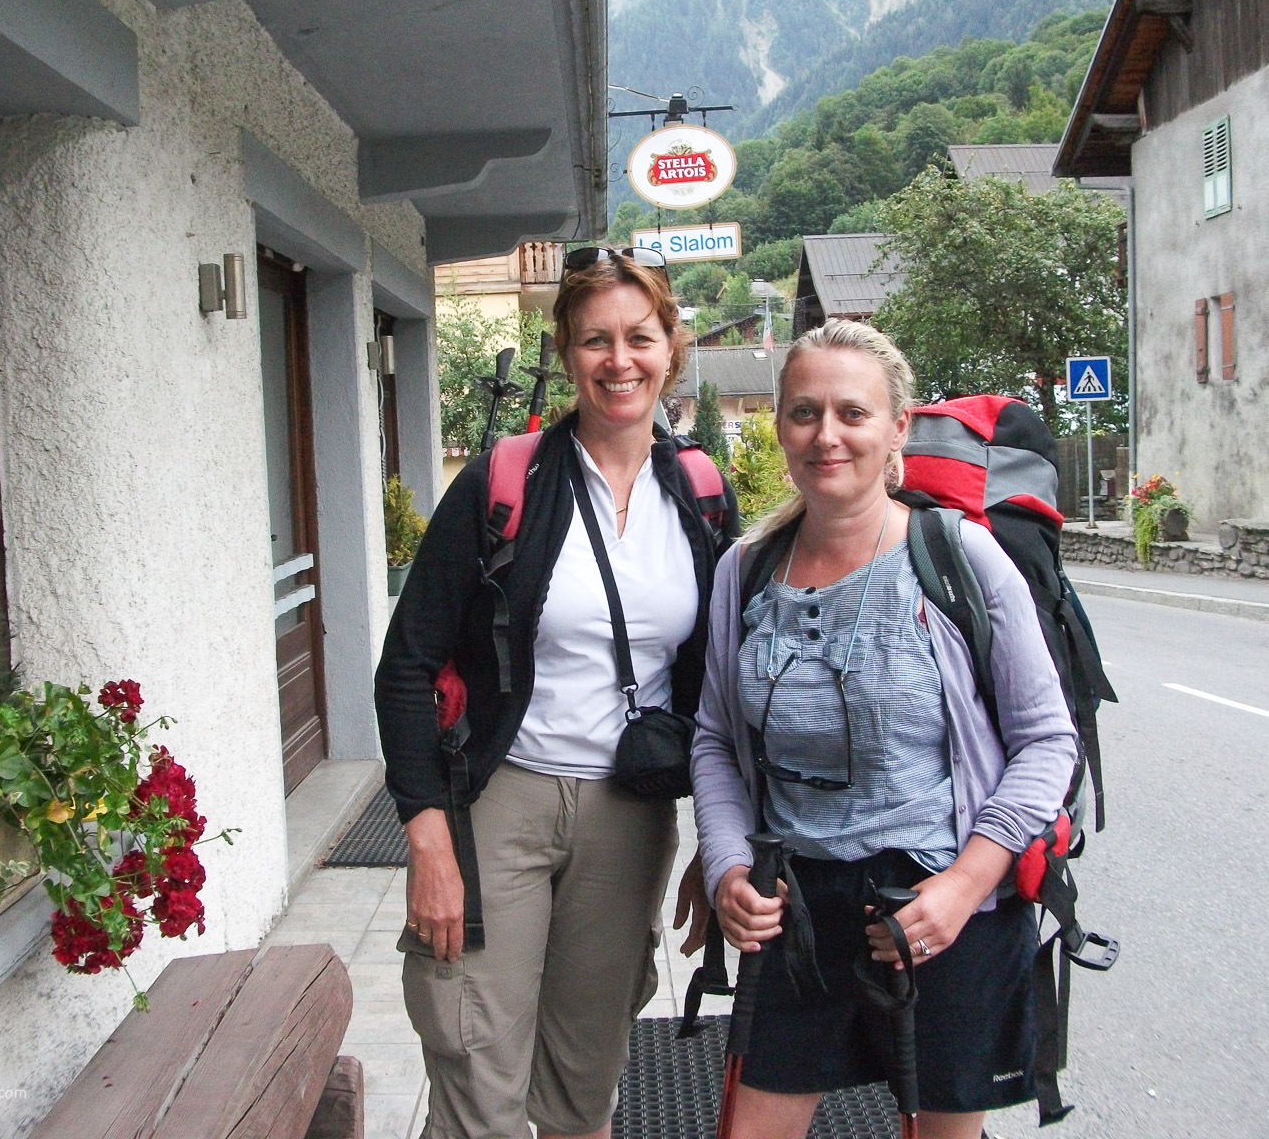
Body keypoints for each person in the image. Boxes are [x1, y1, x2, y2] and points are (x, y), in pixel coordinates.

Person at [375, 246, 738, 1139]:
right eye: (595, 340)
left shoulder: (698, 494)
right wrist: (427, 835)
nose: (620, 360)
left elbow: (724, 687)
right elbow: (406, 664)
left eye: (639, 338)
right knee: (475, 1067)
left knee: (587, 1081)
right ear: (566, 352)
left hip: (630, 813)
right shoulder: (504, 481)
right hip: (501, 799)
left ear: (672, 347)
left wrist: (720, 841)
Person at [691, 320, 1078, 1139]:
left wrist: (968, 885)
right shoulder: (745, 569)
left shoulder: (960, 558)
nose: (825, 435)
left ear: (897, 428)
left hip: (939, 908)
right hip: (794, 908)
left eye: (852, 413)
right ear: (779, 425)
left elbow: (1049, 739)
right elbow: (718, 738)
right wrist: (727, 863)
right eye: (803, 412)